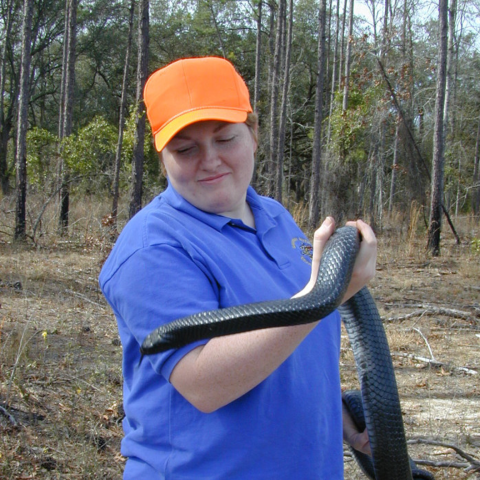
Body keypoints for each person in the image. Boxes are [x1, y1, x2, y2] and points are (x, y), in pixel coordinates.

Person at [99, 56, 376, 479]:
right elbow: (206, 384)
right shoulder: (152, 248)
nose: (209, 160)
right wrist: (326, 293)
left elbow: (289, 348)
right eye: (185, 148)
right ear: (162, 158)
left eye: (225, 138)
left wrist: (343, 423)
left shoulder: (275, 217)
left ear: (254, 134)